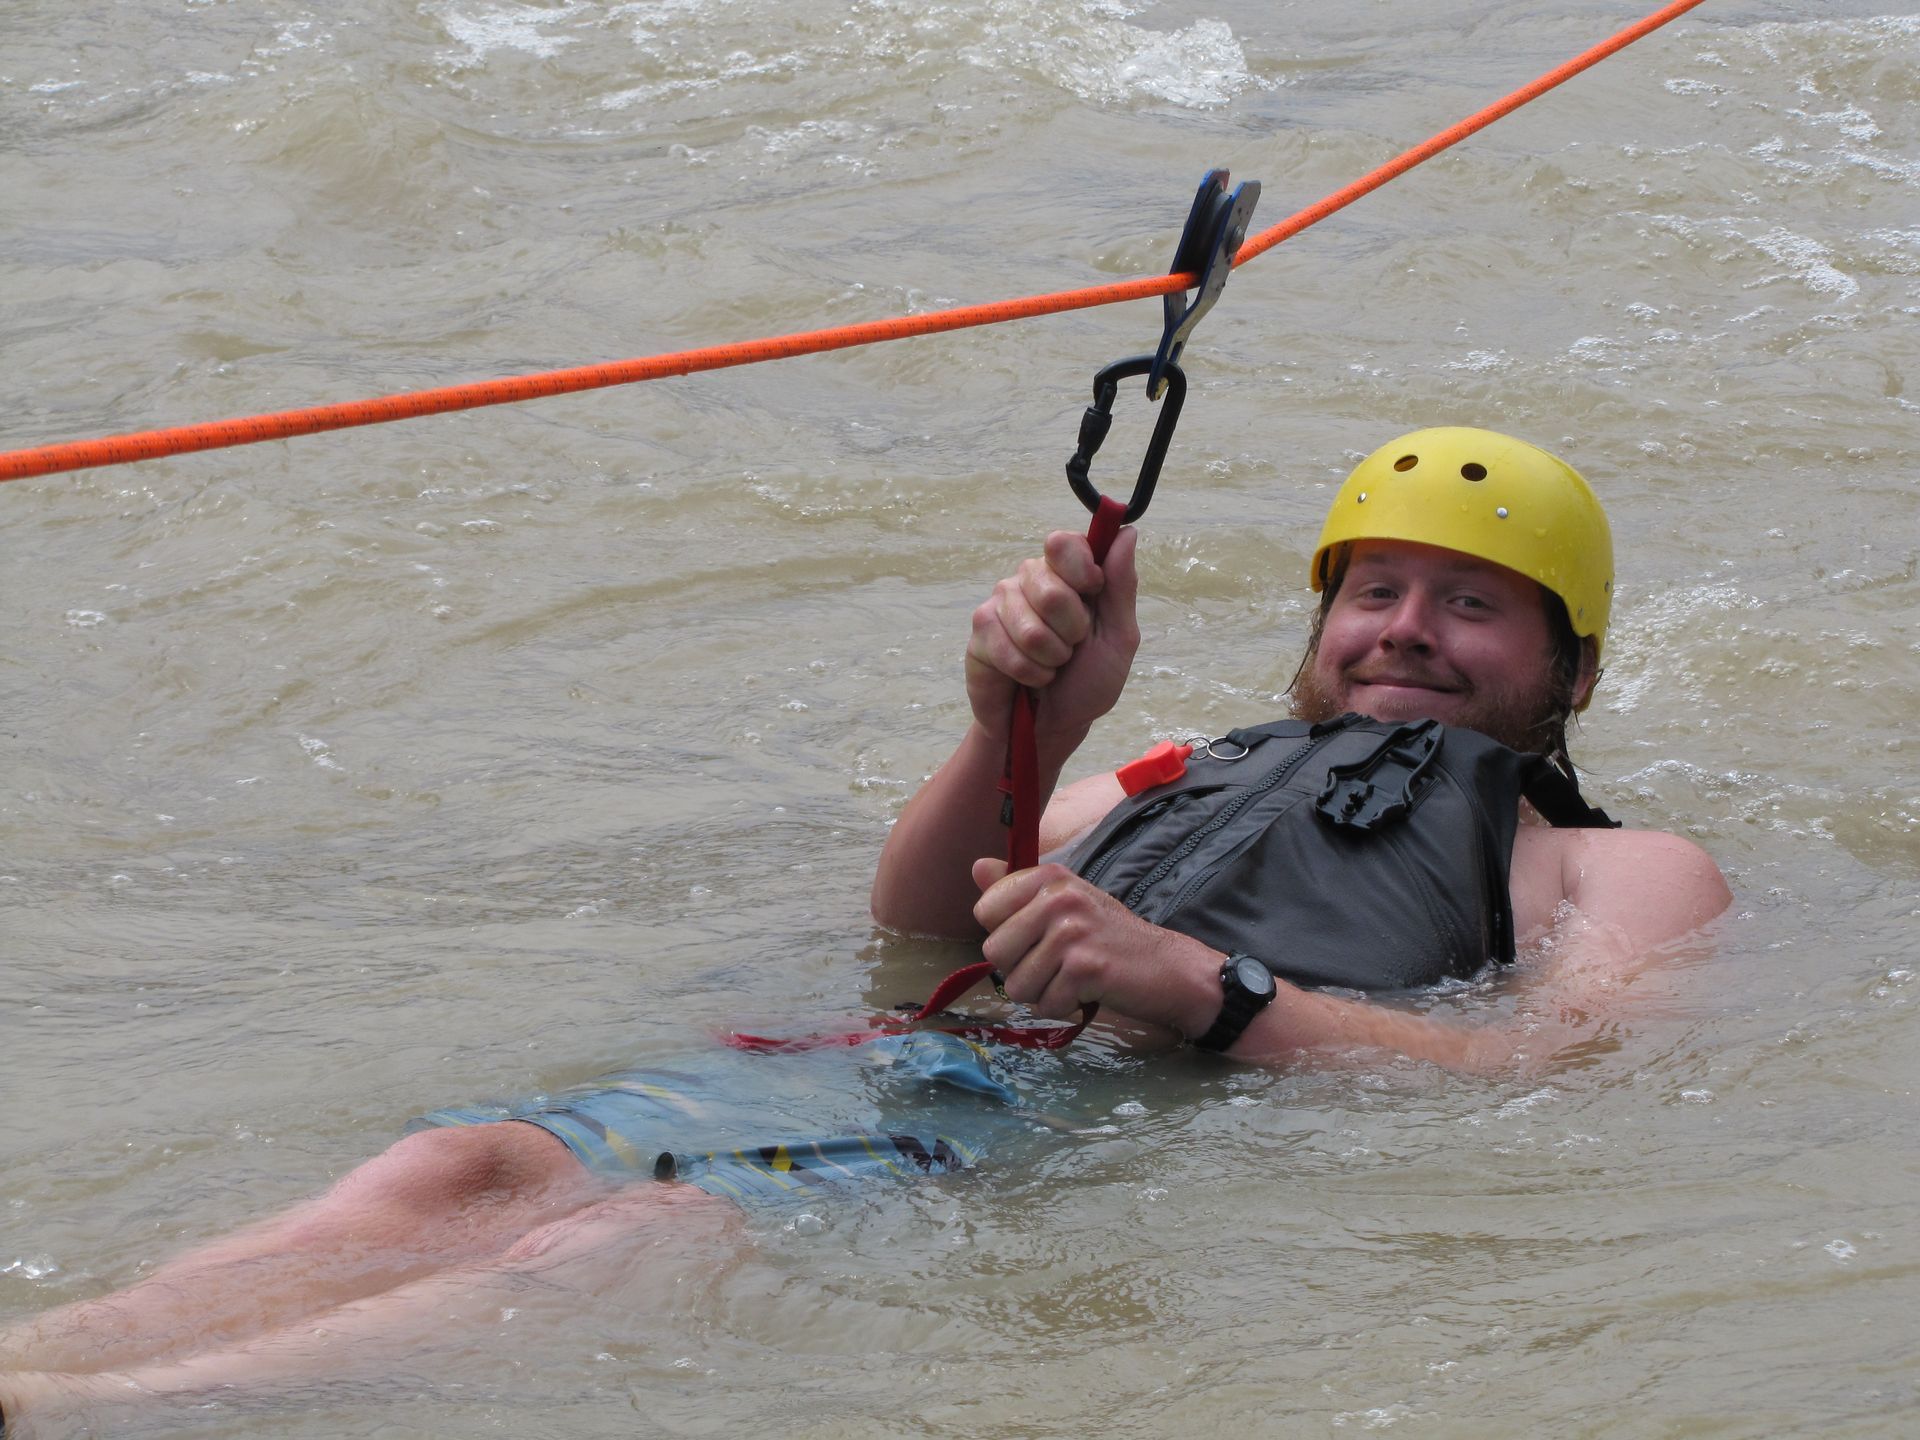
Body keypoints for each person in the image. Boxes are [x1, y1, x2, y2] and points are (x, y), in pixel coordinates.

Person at [0, 426, 1729, 1434]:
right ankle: (39, 1360)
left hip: (1081, 1145)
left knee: (614, 1252)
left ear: (1570, 672)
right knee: (449, 1167)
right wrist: (1019, 719)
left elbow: (1558, 1077)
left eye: (1473, 606)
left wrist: (1208, 994)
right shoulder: (1189, 768)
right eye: (1375, 591)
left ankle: (93, 1419)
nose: (1406, 630)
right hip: (904, 1060)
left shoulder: (1609, 861)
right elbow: (918, 930)